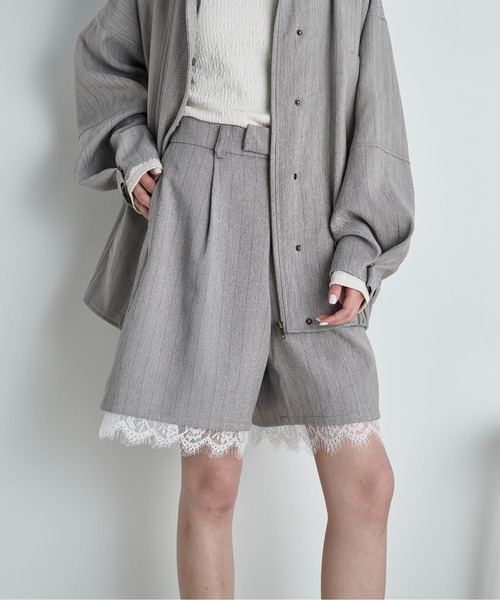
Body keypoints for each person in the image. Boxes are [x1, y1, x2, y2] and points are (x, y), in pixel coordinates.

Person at [73, 0, 415, 597]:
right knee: (213, 483)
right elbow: (105, 56)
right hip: (199, 197)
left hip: (312, 218)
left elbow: (376, 114)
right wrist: (132, 150)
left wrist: (360, 243)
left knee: (366, 485)